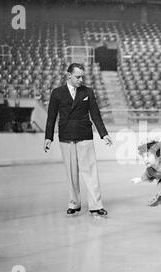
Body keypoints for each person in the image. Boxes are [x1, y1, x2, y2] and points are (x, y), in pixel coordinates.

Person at [43, 63, 113, 217]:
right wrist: (48, 137)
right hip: (66, 136)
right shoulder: (57, 93)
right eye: (78, 76)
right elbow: (51, 117)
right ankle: (74, 203)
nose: (81, 79)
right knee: (71, 173)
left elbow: (95, 114)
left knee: (90, 172)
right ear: (69, 75)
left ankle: (96, 205)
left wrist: (104, 134)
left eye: (82, 76)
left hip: (85, 135)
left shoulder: (88, 91)